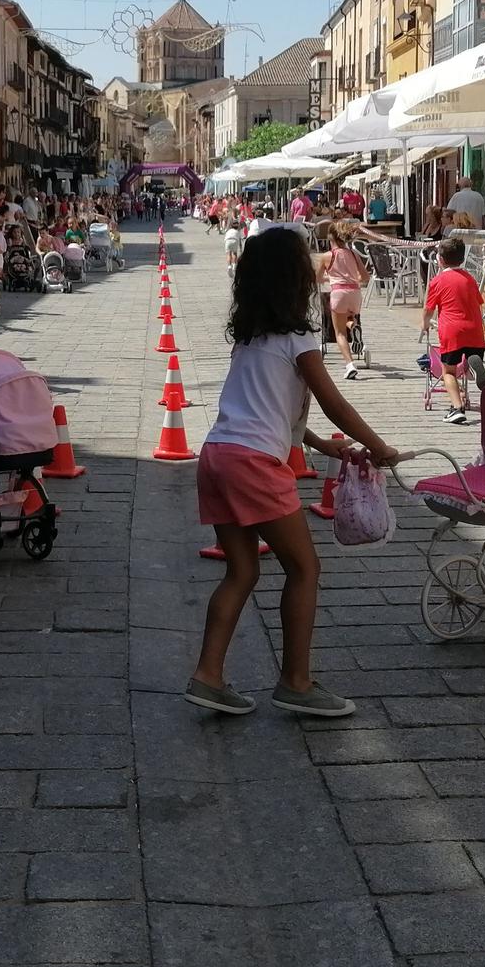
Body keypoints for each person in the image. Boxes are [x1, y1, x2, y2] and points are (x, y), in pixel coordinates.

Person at [185, 227, 399, 720]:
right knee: (304, 568)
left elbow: (270, 411)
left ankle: (208, 676)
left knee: (241, 571)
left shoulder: (250, 339)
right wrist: (378, 446)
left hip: (218, 456)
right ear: (295, 278)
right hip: (255, 465)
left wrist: (323, 445)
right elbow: (332, 400)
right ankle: (296, 682)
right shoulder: (300, 339)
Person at [424, 236, 485, 425]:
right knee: (470, 356)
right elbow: (478, 302)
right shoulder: (469, 279)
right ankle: (472, 363)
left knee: (449, 372)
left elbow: (428, 310)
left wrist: (425, 324)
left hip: (452, 331)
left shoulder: (438, 281)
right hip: (475, 330)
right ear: (461, 259)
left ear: (440, 259)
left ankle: (457, 408)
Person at [323, 221, 368, 381]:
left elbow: (316, 278)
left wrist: (329, 277)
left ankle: (350, 365)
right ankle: (353, 325)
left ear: (331, 238)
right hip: (355, 292)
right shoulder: (353, 254)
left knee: (340, 333)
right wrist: (352, 278)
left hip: (338, 292)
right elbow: (365, 277)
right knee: (350, 316)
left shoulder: (328, 256)